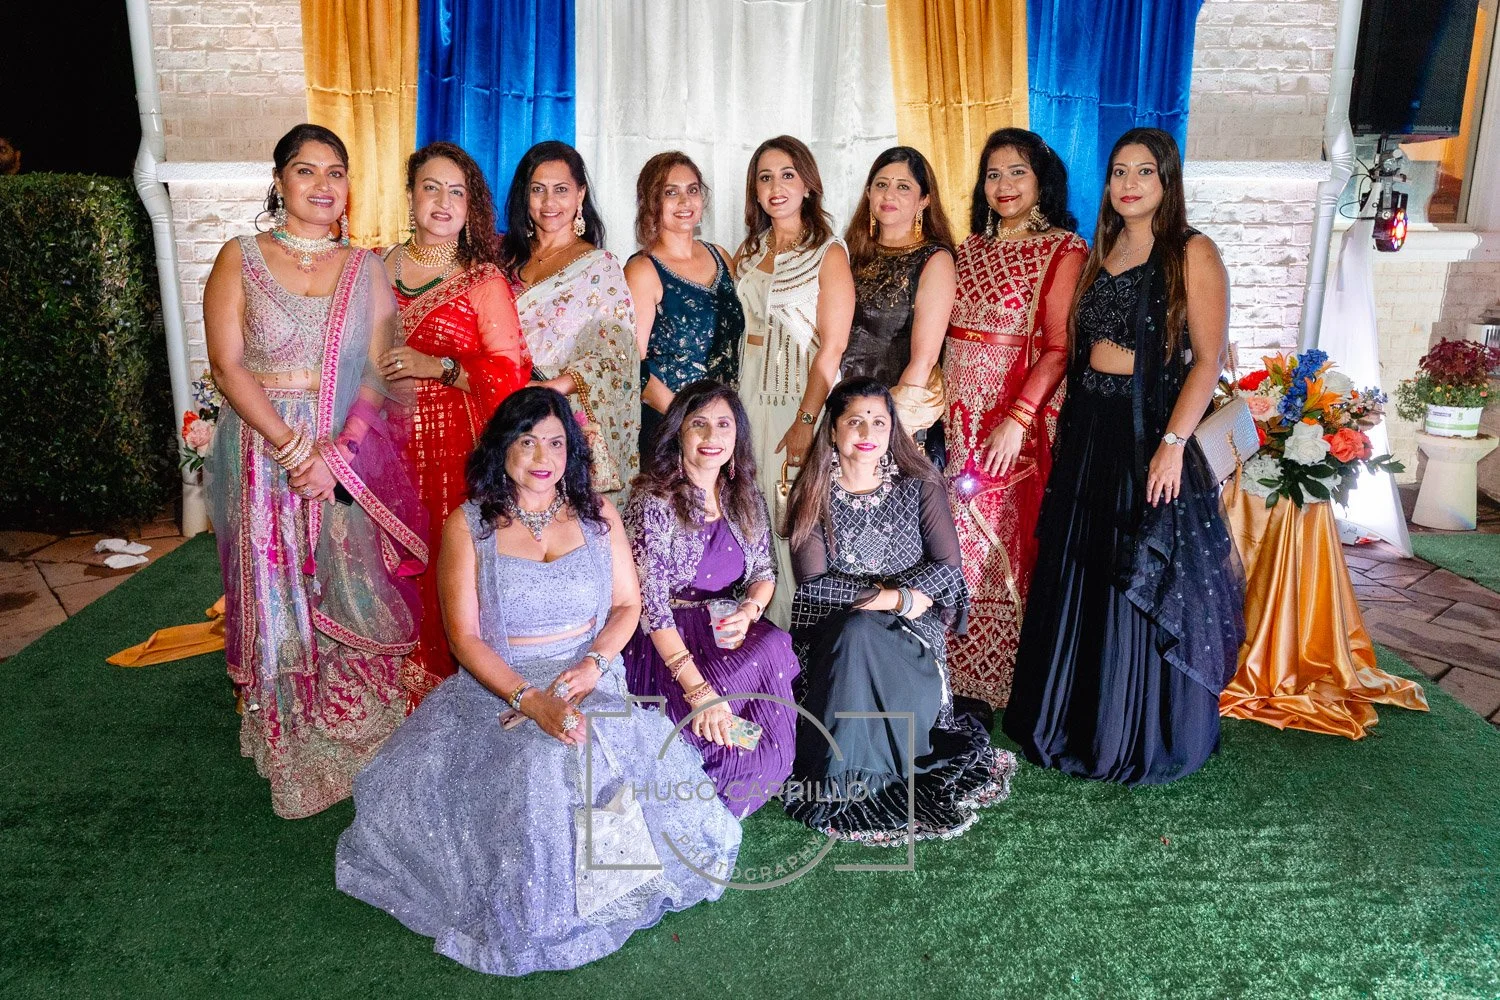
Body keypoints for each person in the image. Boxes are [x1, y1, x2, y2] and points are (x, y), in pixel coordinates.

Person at [335, 387, 741, 976]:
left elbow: (627, 607)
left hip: (589, 675)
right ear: (503, 447)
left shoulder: (599, 515)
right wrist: (531, 700)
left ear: (571, 450)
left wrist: (593, 666)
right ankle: (549, 905)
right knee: (543, 760)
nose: (542, 456)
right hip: (500, 688)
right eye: (527, 441)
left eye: (555, 442)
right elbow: (465, 639)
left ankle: (609, 883)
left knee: (599, 744)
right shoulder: (468, 525)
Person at [1003, 128, 1246, 785]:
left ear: (1168, 182)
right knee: (1082, 573)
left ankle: (1134, 730)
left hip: (1151, 435)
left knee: (1137, 577)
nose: (1129, 183)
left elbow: (1205, 362)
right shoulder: (1101, 249)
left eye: (1144, 171)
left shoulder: (1193, 253)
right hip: (1090, 429)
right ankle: (1071, 720)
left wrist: (1172, 445)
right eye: (1118, 172)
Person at [202, 124, 426, 819]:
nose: (323, 186)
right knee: (276, 578)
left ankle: (347, 699)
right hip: (263, 450)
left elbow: (377, 370)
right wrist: (292, 449)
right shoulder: (240, 258)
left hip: (342, 454)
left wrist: (336, 451)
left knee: (346, 577)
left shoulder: (368, 269)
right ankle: (284, 715)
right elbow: (227, 364)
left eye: (336, 173)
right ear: (280, 181)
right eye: (307, 171)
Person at [783, 377, 1015, 844]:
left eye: (879, 421)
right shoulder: (811, 493)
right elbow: (815, 585)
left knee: (860, 631)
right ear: (832, 431)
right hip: (841, 639)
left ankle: (852, 773)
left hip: (913, 637)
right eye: (854, 421)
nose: (867, 431)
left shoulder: (920, 484)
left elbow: (949, 567)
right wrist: (896, 598)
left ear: (892, 430)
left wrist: (903, 602)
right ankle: (846, 773)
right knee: (855, 633)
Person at [942, 128, 1087, 721]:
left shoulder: (1064, 249)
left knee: (1004, 539)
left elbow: (1058, 347)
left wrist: (1017, 419)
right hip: (956, 416)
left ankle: (1003, 680)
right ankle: (952, 672)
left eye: (1017, 173)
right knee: (954, 536)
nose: (1003, 186)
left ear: (1042, 181)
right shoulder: (968, 247)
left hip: (1012, 418)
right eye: (993, 174)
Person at [379, 141, 531, 703]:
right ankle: (384, 685)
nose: (443, 202)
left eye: (457, 192)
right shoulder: (374, 266)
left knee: (446, 564)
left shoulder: (481, 279)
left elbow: (510, 373)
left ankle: (447, 691)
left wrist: (438, 367)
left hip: (454, 451)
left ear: (471, 208)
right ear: (411, 195)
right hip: (381, 446)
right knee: (385, 561)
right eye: (431, 188)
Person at [621, 380, 799, 818]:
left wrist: (751, 609)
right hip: (664, 641)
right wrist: (698, 691)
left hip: (722, 628)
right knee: (717, 749)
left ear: (737, 436)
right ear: (678, 432)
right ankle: (709, 736)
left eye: (723, 425)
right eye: (698, 424)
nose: (711, 437)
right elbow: (651, 604)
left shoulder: (745, 495)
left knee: (773, 645)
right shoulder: (653, 499)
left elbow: (763, 572)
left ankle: (736, 735)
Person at [734, 135, 855, 627]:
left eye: (787, 175)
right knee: (749, 510)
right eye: (765, 177)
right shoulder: (749, 250)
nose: (776, 187)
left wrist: (807, 419)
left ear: (808, 184)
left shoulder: (829, 253)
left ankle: (798, 636)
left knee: (792, 518)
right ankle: (757, 630)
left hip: (797, 403)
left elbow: (833, 347)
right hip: (746, 396)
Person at [503, 141, 640, 508]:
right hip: (501, 410)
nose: (549, 202)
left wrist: (548, 387)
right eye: (538, 189)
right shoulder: (503, 261)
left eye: (561, 189)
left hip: (562, 418)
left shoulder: (598, 266)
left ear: (580, 194)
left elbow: (617, 357)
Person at [840, 146, 956, 465]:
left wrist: (882, 430)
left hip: (897, 421)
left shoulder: (934, 259)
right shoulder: (851, 253)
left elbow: (925, 359)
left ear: (924, 200)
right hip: (842, 408)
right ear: (868, 192)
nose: (889, 194)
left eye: (903, 186)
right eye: (881, 184)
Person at [625, 152, 744, 453]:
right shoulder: (642, 270)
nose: (685, 201)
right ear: (651, 203)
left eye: (692, 190)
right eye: (670, 192)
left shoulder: (721, 256)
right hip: (668, 427)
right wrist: (689, 419)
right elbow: (633, 367)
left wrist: (717, 422)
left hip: (722, 427)